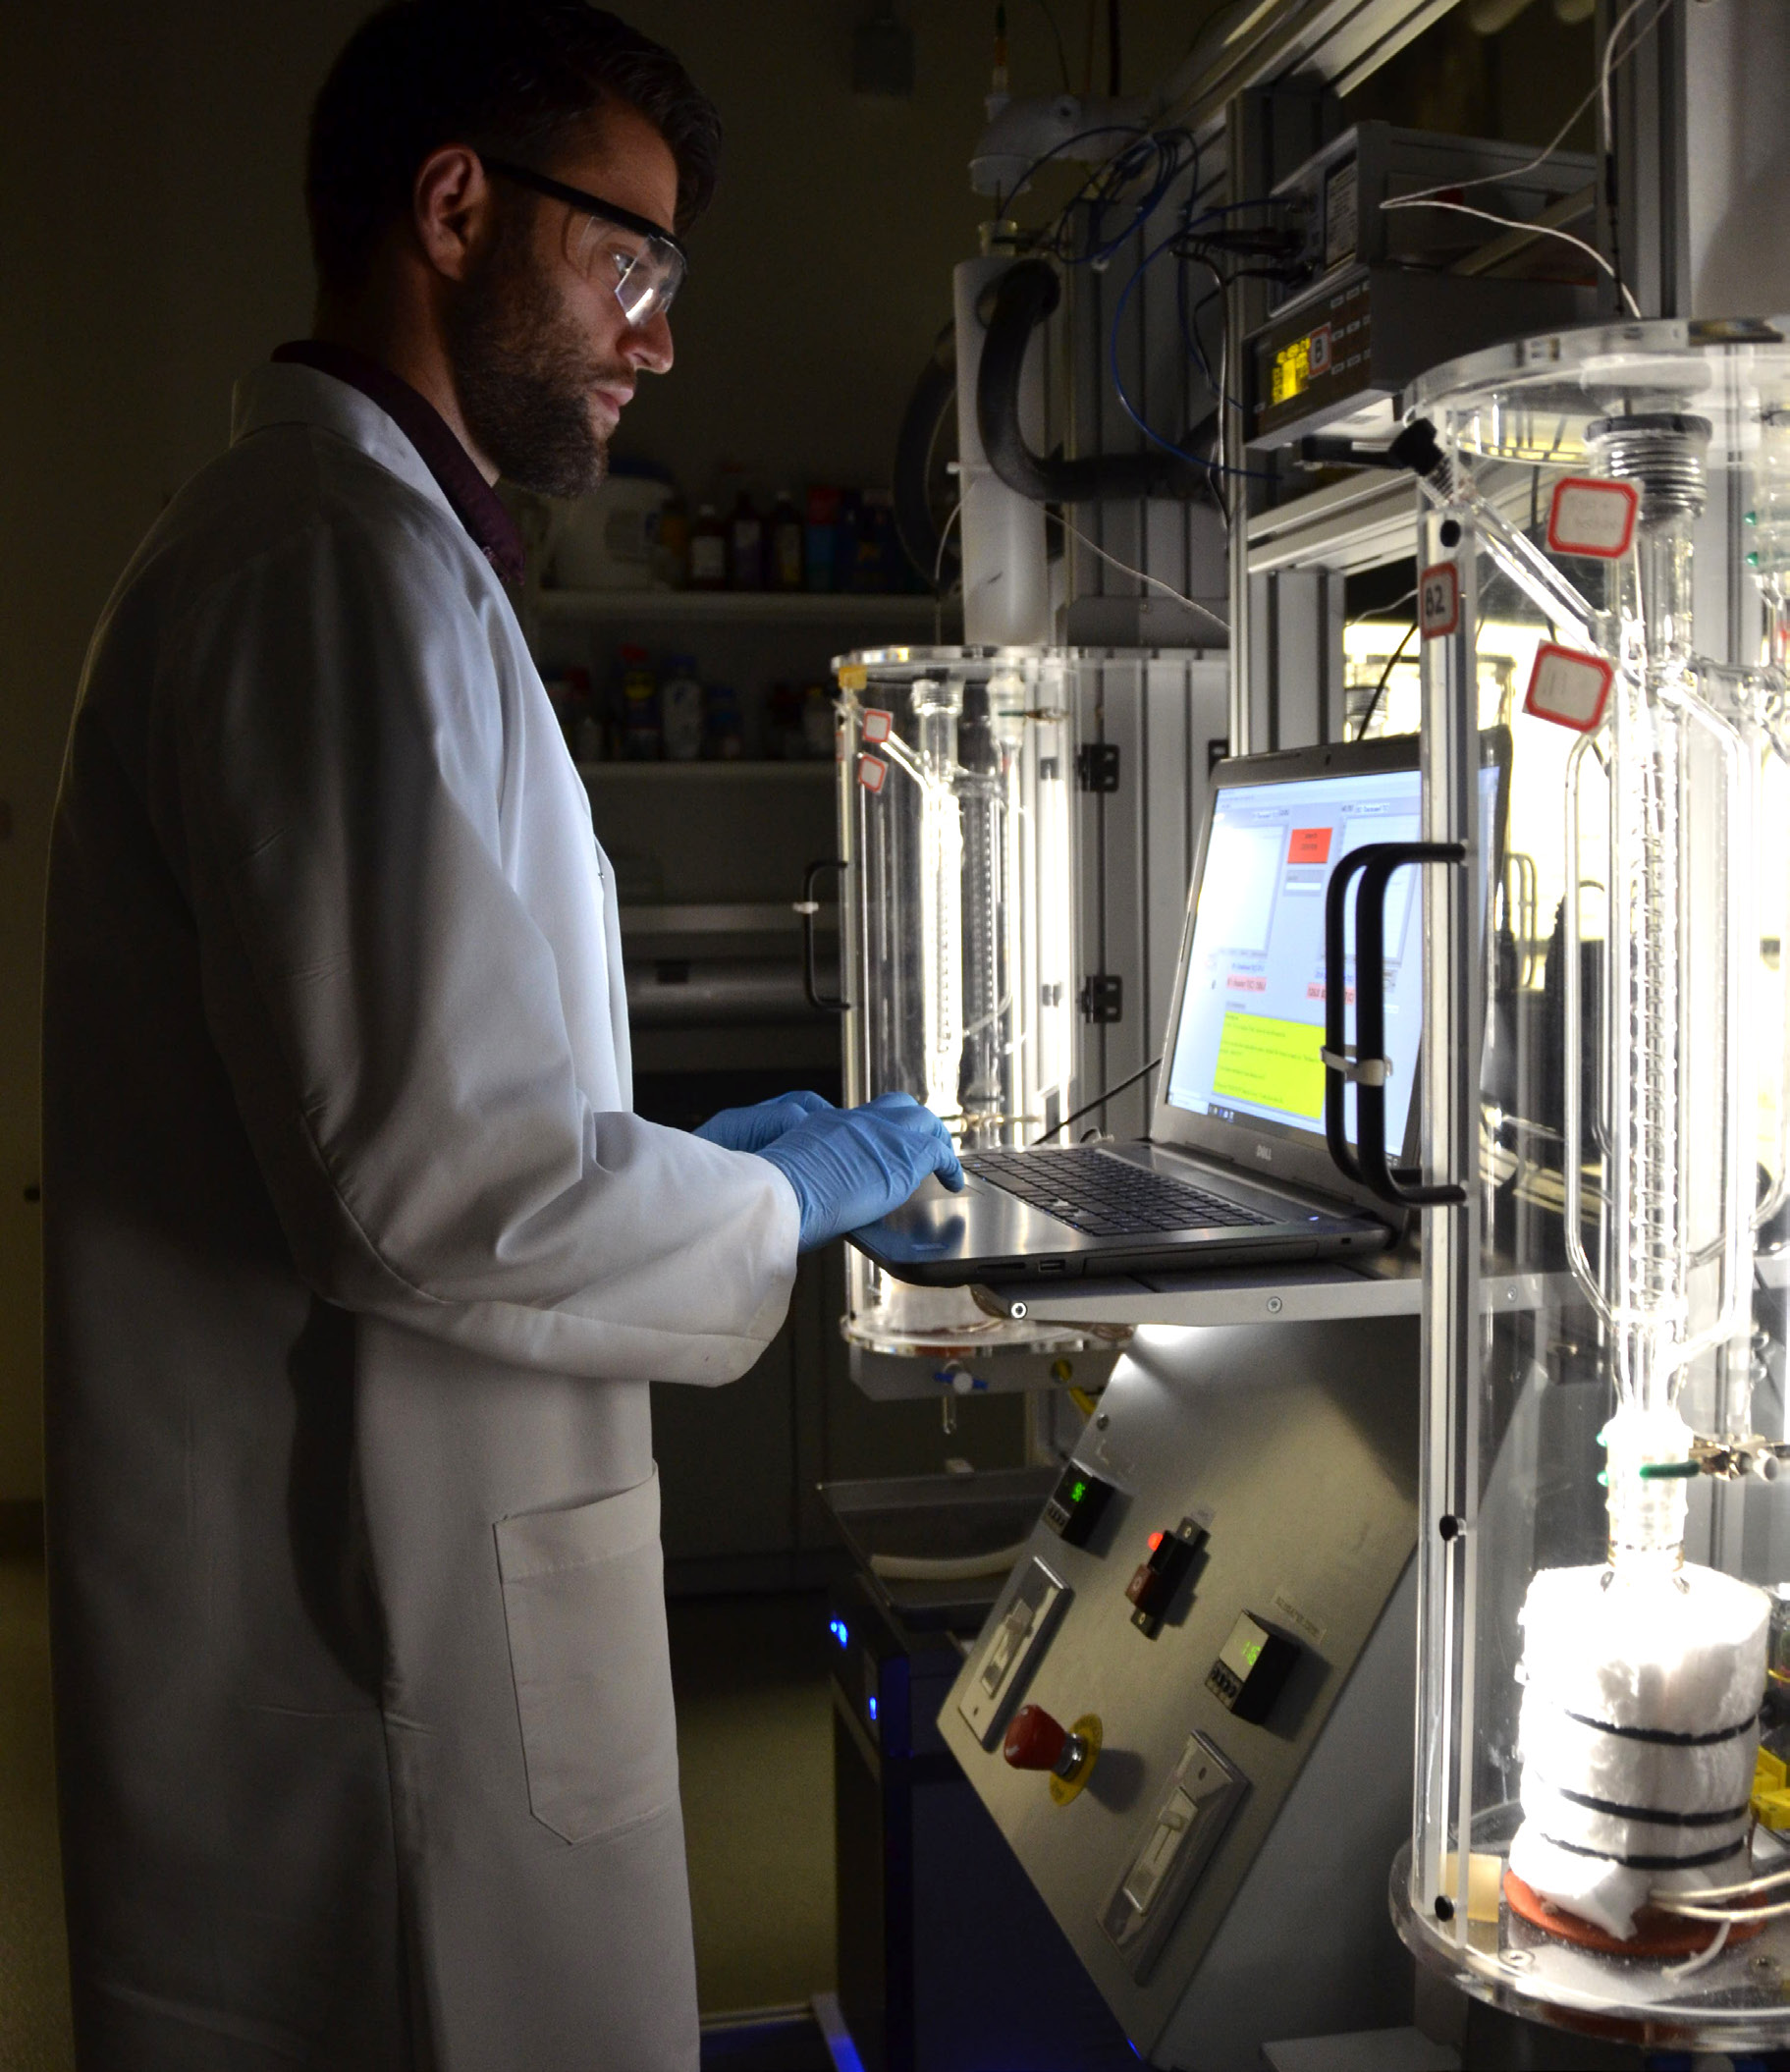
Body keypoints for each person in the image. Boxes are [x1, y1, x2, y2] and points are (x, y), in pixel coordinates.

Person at [39, 5, 961, 2068]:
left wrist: (713, 1160)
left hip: (403, 1566)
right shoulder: (323, 563)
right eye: (627, 262)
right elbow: (424, 1182)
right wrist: (759, 1188)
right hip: (375, 1632)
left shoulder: (380, 556)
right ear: (456, 208)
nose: (656, 338)